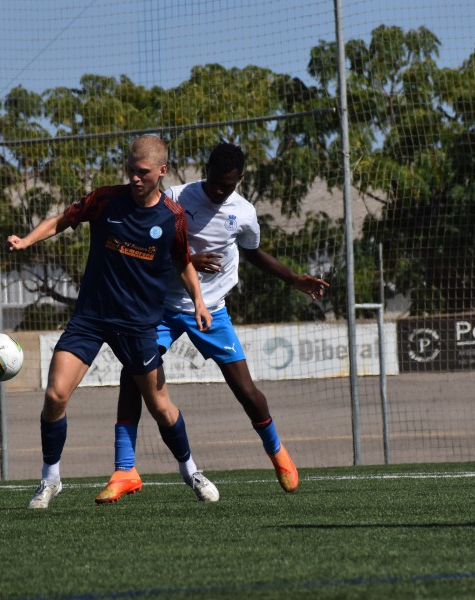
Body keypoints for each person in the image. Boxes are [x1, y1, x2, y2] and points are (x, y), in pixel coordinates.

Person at [95, 142, 329, 504]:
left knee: (245, 390)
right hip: (163, 308)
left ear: (240, 179)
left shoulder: (244, 212)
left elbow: (253, 253)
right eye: (216, 183)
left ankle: (277, 451)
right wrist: (188, 259)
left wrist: (294, 279)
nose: (220, 191)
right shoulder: (176, 197)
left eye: (229, 185)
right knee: (132, 375)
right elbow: (149, 242)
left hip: (212, 311)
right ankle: (125, 468)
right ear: (206, 172)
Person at [7, 135, 220, 508]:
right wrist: (27, 241)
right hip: (91, 318)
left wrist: (199, 303)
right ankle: (50, 479)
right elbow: (63, 219)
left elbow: (183, 262)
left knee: (161, 408)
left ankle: (190, 470)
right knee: (55, 395)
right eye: (131, 170)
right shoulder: (105, 199)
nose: (135, 178)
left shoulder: (172, 217)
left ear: (161, 171)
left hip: (138, 325)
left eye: (143, 172)